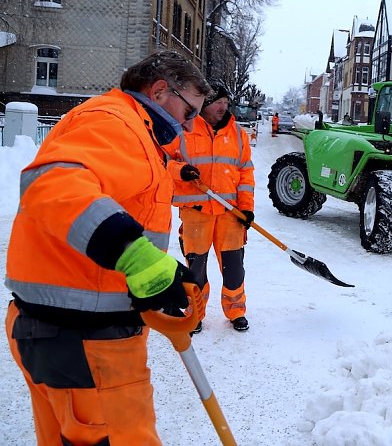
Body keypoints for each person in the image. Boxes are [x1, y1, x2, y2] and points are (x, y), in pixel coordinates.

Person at [4, 50, 210, 445]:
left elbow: (121, 188)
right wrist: (138, 260)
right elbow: (53, 185)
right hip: (85, 340)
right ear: (161, 90)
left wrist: (147, 284)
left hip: (64, 331)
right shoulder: (113, 122)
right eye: (189, 113)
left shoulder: (132, 129)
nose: (190, 124)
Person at [166, 83, 255, 333]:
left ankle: (236, 310)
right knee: (196, 268)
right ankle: (195, 313)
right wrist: (180, 170)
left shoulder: (237, 134)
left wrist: (246, 208)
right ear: (204, 105)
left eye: (226, 103)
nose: (223, 107)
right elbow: (164, 161)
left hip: (231, 215)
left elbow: (246, 173)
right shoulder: (184, 131)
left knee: (234, 267)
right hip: (196, 212)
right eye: (218, 102)